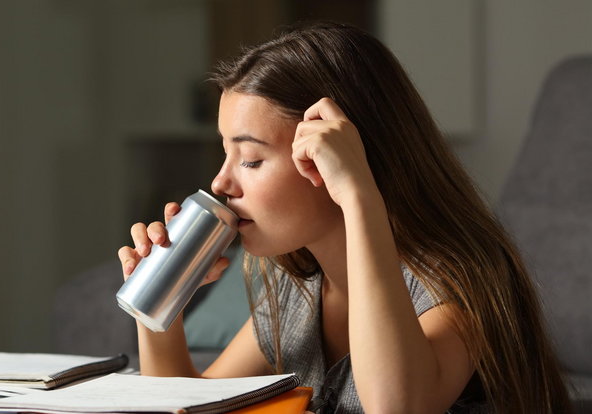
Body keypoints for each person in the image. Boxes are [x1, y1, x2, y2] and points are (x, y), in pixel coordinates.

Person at [117, 22, 570, 413]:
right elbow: (185, 404)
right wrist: (160, 305)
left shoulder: (460, 282)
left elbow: (399, 407)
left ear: (338, 157)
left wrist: (359, 194)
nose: (221, 183)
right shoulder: (298, 294)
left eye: (251, 160)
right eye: (225, 154)